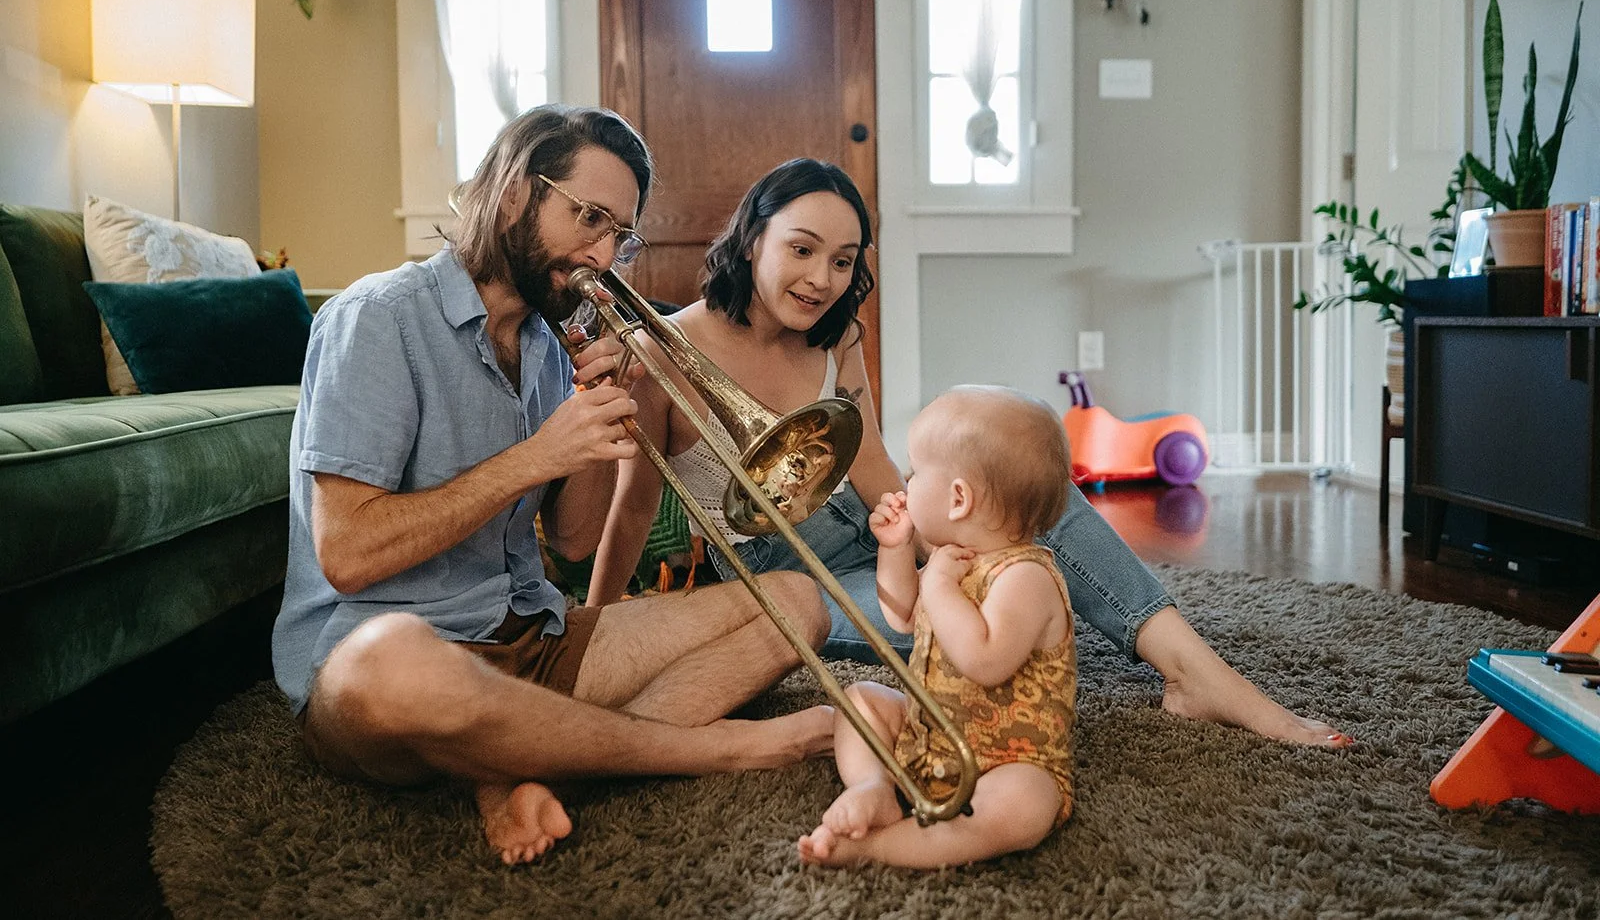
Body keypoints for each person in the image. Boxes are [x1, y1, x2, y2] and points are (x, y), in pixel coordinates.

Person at [592, 158, 1352, 750]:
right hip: (790, 570)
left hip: (876, 520)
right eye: (802, 249)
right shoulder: (662, 355)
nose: (823, 279)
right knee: (958, 608)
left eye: (843, 260)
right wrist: (594, 630)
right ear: (752, 237)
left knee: (1035, 492)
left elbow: (874, 465)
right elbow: (630, 505)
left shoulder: (837, 334)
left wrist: (951, 527)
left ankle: (1198, 673)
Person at [270, 106, 835, 868]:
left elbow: (570, 540)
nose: (603, 254)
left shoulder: (545, 342)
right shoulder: (376, 319)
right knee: (396, 661)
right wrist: (537, 455)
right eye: (590, 219)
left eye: (619, 236)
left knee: (797, 605)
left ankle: (518, 765)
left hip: (530, 636)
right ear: (513, 194)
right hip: (394, 654)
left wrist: (607, 420)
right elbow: (345, 552)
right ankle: (712, 750)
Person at [799, 385, 1079, 868]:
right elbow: (900, 615)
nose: (906, 481)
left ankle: (876, 848)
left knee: (1026, 804)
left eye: (915, 472)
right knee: (860, 699)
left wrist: (940, 589)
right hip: (927, 736)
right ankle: (875, 786)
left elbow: (985, 660)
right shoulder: (955, 562)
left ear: (957, 498)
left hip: (1006, 765)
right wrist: (894, 550)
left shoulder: (1026, 578)